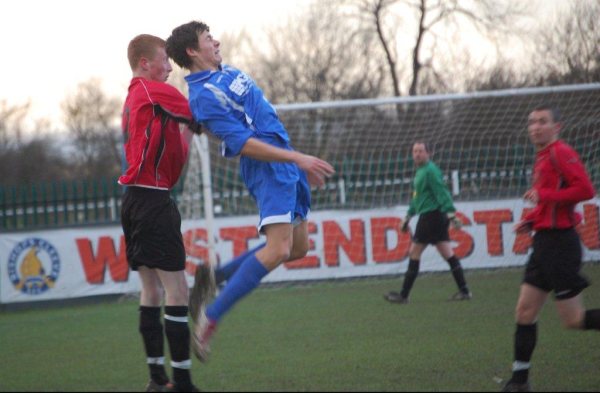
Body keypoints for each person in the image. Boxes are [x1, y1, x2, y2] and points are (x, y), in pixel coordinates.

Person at [165, 21, 335, 362]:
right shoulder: (203, 95)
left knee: (297, 248)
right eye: (207, 39)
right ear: (192, 52)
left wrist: (294, 159)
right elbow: (242, 143)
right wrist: (297, 158)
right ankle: (209, 319)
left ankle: (215, 275)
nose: (216, 41)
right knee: (276, 250)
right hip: (270, 165)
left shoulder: (223, 73)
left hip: (285, 159)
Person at [120, 34, 201, 392]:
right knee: (177, 289)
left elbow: (183, 132)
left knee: (151, 291)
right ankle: (181, 382)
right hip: (152, 203)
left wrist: (191, 128)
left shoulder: (141, 98)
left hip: (137, 201)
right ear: (144, 64)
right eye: (165, 61)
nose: (170, 67)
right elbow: (197, 110)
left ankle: (157, 380)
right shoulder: (150, 90)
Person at [501, 105, 599, 392]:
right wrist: (531, 220)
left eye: (542, 122)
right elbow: (554, 204)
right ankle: (519, 382)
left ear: (557, 127)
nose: (535, 127)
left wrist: (543, 195)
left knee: (574, 320)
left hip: (560, 245)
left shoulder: (560, 152)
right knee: (524, 311)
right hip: (543, 242)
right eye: (532, 122)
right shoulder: (542, 156)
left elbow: (585, 190)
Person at [384, 141, 471, 304]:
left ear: (428, 153)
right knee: (447, 254)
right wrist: (408, 216)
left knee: (414, 253)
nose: (417, 154)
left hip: (431, 216)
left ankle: (404, 295)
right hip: (435, 216)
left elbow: (442, 191)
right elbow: (418, 198)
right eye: (415, 151)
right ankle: (464, 291)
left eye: (420, 151)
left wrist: (451, 213)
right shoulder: (420, 172)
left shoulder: (430, 171)